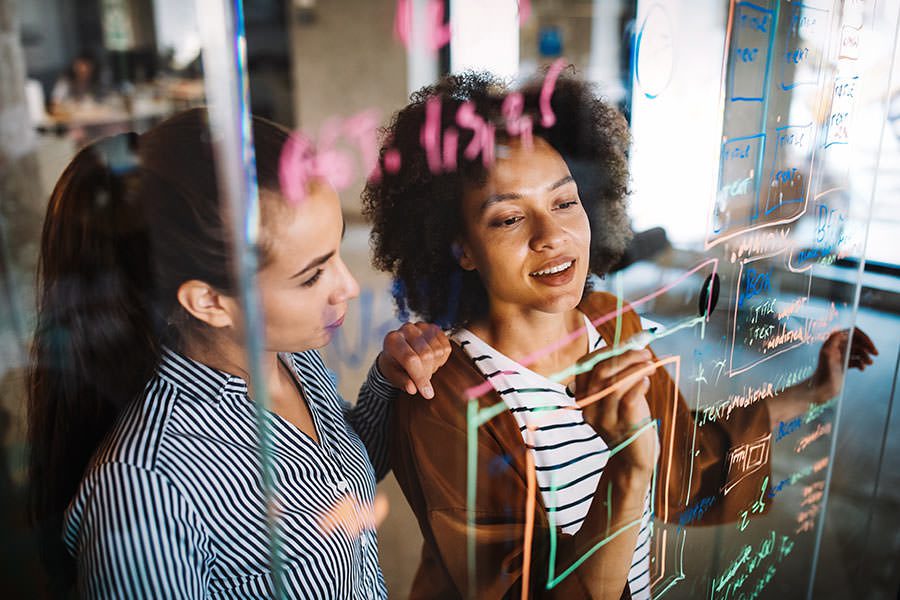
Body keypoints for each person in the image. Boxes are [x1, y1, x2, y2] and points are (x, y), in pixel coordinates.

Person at [362, 71, 877, 598]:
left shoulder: (613, 320)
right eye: (510, 218)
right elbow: (518, 586)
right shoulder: (442, 392)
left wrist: (813, 390)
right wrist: (628, 471)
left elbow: (683, 461)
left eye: (565, 203)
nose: (552, 236)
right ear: (460, 249)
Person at [27, 108, 450, 598]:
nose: (348, 287)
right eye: (312, 275)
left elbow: (342, 476)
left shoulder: (290, 358)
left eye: (335, 251)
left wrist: (387, 381)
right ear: (209, 302)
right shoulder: (145, 489)